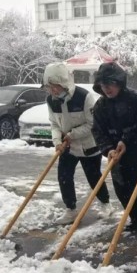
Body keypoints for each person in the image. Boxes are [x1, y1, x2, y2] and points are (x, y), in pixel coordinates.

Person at [91, 62, 137, 231]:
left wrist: (126, 140)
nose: (107, 89)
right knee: (122, 189)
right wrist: (108, 149)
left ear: (119, 82)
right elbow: (98, 131)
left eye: (110, 84)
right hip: (116, 156)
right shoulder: (100, 106)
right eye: (103, 85)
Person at [43, 62, 111, 224]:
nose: (53, 90)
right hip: (67, 146)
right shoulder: (51, 101)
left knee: (93, 177)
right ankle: (70, 209)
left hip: (88, 145)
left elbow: (93, 123)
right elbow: (54, 124)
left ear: (64, 83)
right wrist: (57, 141)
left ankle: (105, 203)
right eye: (49, 87)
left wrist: (72, 135)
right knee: (64, 177)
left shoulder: (84, 97)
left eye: (56, 86)